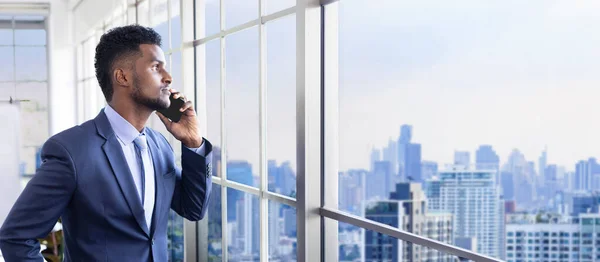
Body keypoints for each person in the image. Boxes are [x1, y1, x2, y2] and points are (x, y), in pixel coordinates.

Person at [0, 25, 212, 261]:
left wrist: (193, 142)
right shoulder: (70, 150)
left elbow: (193, 209)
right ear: (122, 77)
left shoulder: (159, 145)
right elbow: (16, 237)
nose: (168, 77)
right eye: (155, 67)